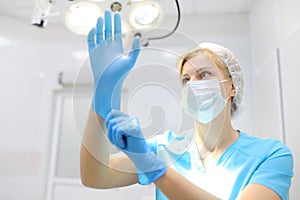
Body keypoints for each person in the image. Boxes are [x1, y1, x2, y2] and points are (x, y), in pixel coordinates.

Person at [80, 11, 293, 200]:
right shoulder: (164, 148)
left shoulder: (271, 155)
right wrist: (104, 89)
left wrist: (153, 167)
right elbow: (94, 175)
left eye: (204, 75)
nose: (192, 84)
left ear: (231, 87)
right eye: (186, 79)